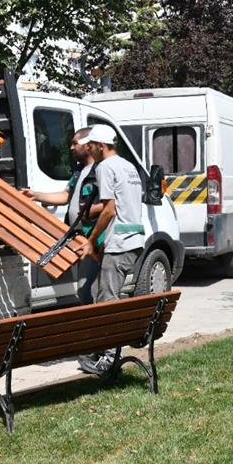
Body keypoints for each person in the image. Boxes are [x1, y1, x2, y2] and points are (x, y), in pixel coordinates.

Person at [77, 124, 145, 375]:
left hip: (119, 246)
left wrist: (92, 240)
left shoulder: (105, 167)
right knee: (97, 292)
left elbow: (109, 209)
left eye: (92, 144)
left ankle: (108, 358)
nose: (89, 148)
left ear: (101, 146)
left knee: (108, 300)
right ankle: (101, 349)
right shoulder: (128, 166)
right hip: (133, 240)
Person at [21, 127, 105, 303]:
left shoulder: (101, 170)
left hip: (95, 240)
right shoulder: (79, 171)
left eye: (74, 143)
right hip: (80, 240)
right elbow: (66, 196)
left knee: (90, 290)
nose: (71, 148)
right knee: (85, 291)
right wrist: (35, 195)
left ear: (87, 145)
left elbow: (110, 205)